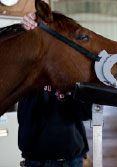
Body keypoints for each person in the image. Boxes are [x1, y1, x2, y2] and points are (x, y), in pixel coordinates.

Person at [18, 14, 92, 167]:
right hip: (37, 161)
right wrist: (24, 32)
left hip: (72, 160)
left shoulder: (73, 72)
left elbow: (85, 113)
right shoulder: (27, 67)